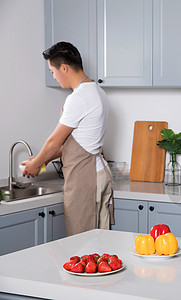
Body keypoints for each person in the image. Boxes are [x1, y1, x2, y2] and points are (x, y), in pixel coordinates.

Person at [23, 41, 113, 236]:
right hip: (98, 173)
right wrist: (42, 161)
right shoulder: (98, 92)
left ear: (64, 68)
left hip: (85, 178)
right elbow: (74, 145)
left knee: (81, 243)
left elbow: (55, 141)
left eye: (53, 71)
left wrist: (36, 163)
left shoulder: (78, 98)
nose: (54, 77)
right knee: (100, 242)